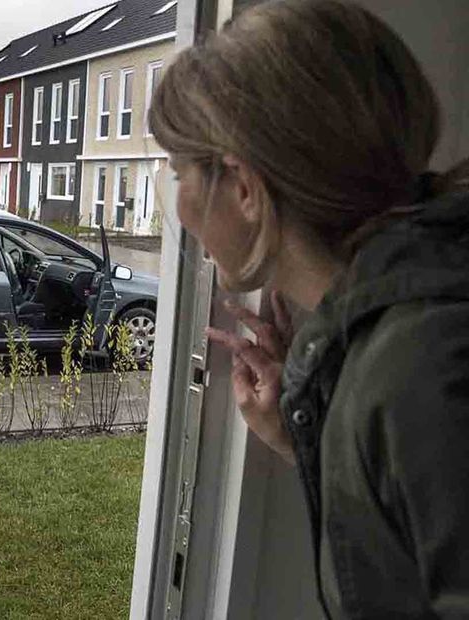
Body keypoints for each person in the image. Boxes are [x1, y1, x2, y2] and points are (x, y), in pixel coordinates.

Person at [150, 1, 469, 617]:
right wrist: (310, 433)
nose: (182, 209)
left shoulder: (425, 366)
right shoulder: (391, 334)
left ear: (242, 187)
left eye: (178, 172)